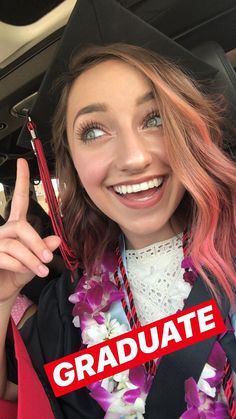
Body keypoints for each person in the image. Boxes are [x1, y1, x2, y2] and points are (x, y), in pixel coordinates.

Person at [0, 43, 236, 418]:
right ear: (71, 162)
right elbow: (14, 392)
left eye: (154, 119)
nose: (134, 157)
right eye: (94, 131)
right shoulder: (66, 308)